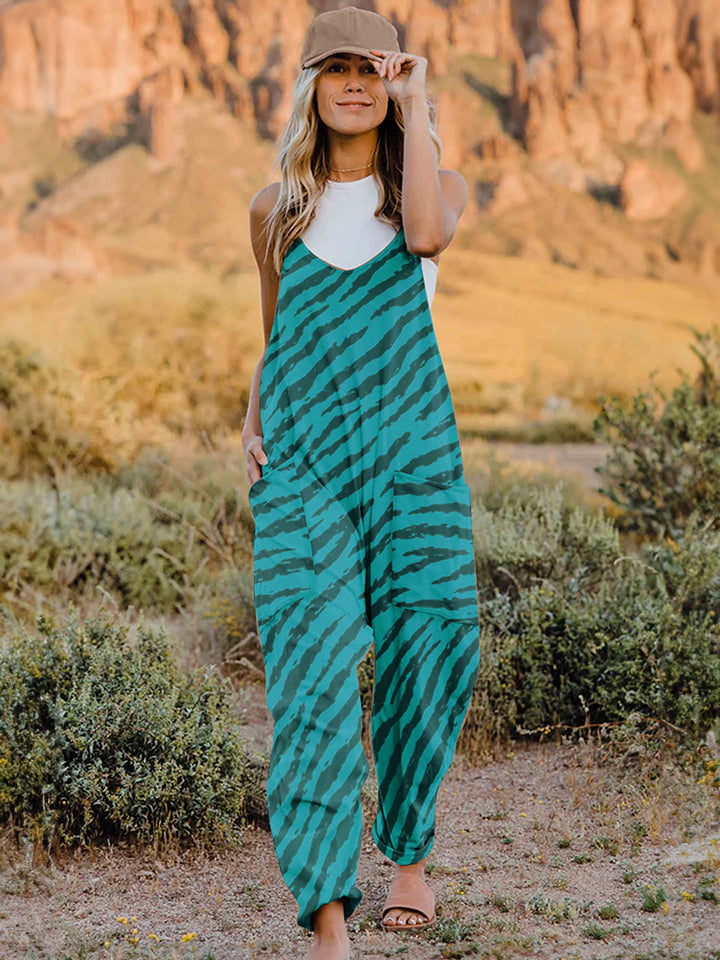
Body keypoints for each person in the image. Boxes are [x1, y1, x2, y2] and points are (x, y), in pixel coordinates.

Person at [241, 7, 480, 959]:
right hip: (304, 465)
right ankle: (328, 916)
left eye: (370, 69)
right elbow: (275, 333)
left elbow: (424, 238)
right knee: (312, 679)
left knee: (435, 642)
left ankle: (409, 855)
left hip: (412, 453)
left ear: (393, 81)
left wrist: (417, 104)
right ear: (309, 85)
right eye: (333, 68)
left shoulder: (435, 185)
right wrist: (251, 413)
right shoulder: (275, 208)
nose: (353, 83)